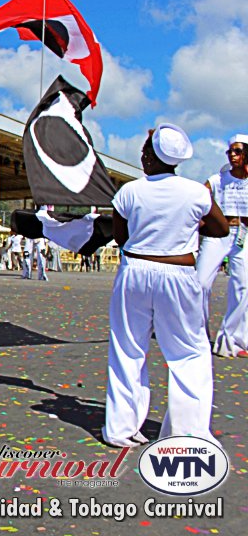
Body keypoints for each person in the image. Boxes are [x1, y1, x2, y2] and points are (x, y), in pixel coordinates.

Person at [103, 124, 229, 448]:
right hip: (178, 274)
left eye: (145, 151)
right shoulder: (196, 193)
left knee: (128, 350)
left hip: (136, 272)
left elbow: (121, 237)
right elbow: (221, 229)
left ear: (150, 156)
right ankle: (188, 433)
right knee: (188, 353)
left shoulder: (129, 192)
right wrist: (189, 224)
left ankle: (121, 430)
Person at [196, 134, 248, 357]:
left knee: (243, 287)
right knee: (200, 283)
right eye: (230, 152)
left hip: (244, 234)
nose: (232, 155)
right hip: (219, 232)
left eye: (237, 151)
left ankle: (232, 340)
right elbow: (198, 198)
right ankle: (196, 335)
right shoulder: (218, 179)